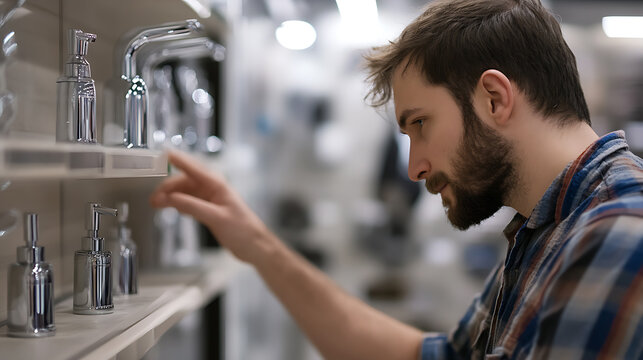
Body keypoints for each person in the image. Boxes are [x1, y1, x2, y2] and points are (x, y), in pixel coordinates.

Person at [150, 0, 643, 358]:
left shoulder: (618, 236)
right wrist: (257, 244)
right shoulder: (550, 229)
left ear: (494, 99)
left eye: (420, 125)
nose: (414, 168)